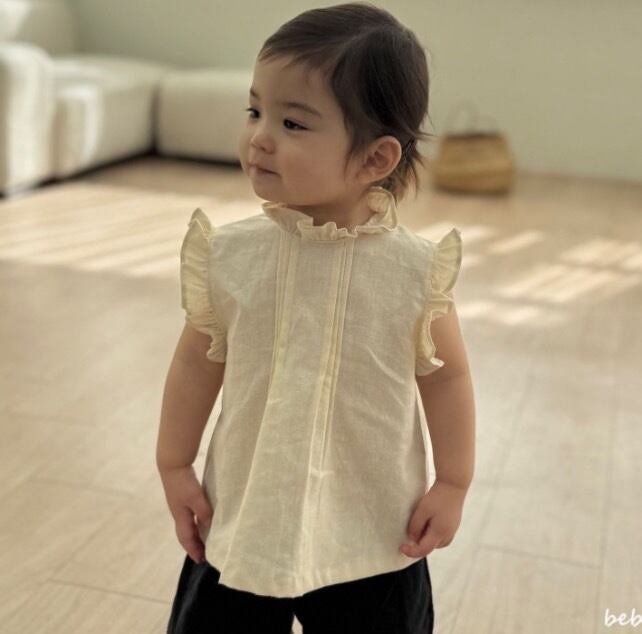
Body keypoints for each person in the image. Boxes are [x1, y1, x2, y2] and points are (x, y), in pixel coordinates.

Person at [156, 2, 476, 633]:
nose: (259, 136)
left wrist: (453, 482)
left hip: (373, 532)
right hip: (243, 516)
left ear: (375, 160)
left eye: (293, 123)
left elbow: (447, 377)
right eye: (255, 111)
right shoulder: (231, 255)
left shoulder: (413, 272)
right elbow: (196, 362)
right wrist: (174, 463)